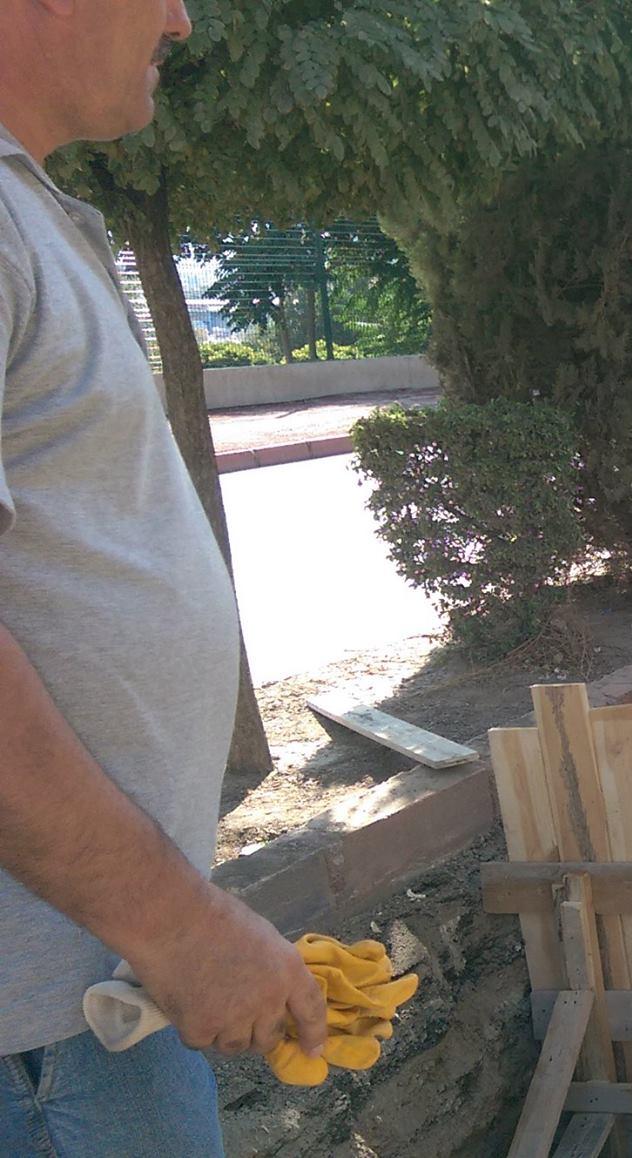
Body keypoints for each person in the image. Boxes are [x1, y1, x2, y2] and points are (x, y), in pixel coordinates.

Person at [0, 3, 329, 1154]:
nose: (182, 20)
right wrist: (176, 926)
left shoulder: (28, 209)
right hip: (37, 1052)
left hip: (80, 1007)